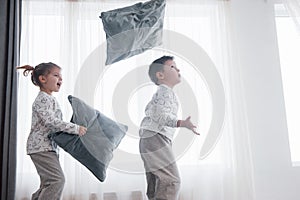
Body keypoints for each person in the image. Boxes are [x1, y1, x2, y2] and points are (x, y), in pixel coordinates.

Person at [17, 62, 87, 200]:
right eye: (56, 75)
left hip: (46, 147)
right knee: (57, 180)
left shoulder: (49, 99)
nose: (60, 79)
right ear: (43, 79)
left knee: (47, 183)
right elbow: (51, 122)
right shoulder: (43, 99)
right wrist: (75, 128)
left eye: (61, 76)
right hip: (40, 147)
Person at [139, 55, 200, 200]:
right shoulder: (165, 92)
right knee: (172, 181)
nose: (178, 69)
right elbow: (160, 115)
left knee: (157, 182)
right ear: (160, 75)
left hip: (151, 138)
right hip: (156, 137)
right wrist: (181, 123)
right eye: (173, 67)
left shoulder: (162, 94)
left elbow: (152, 111)